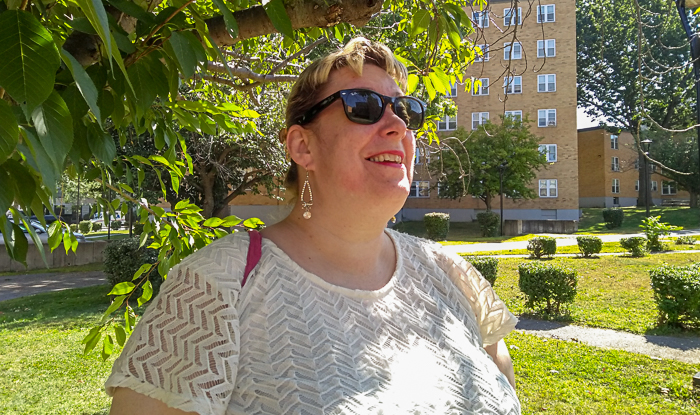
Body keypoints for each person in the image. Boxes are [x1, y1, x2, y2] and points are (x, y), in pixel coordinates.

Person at [107, 37, 521, 415]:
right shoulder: (215, 290)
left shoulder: (451, 275)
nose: (397, 126)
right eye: (363, 105)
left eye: (406, 110)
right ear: (302, 146)